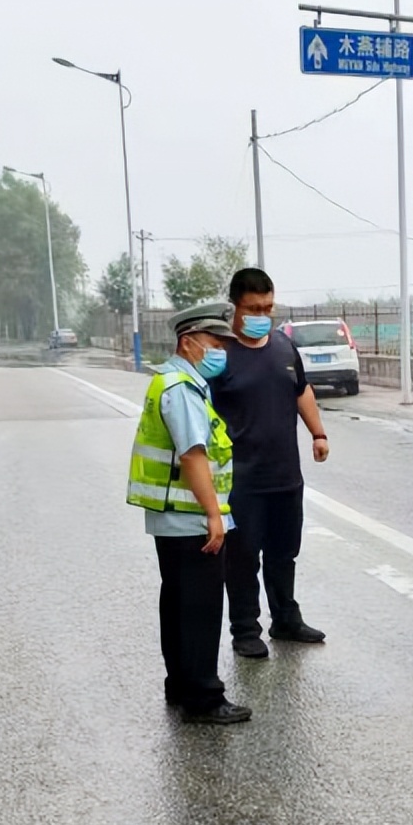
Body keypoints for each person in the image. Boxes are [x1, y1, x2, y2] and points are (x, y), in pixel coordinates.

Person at [126, 302, 251, 725]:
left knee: (179, 603)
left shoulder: (172, 382)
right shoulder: (181, 387)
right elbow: (194, 455)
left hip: (174, 516)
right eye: (216, 343)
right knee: (198, 608)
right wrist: (215, 516)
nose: (222, 352)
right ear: (189, 341)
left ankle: (181, 684)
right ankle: (203, 697)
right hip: (190, 518)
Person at [208, 267, 329, 659]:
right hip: (240, 480)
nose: (262, 314)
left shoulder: (282, 347)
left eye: (268, 307)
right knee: (243, 559)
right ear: (235, 308)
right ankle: (245, 629)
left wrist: (318, 433)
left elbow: (302, 390)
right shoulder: (219, 354)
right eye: (254, 308)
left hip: (284, 476)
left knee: (283, 552)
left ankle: (286, 619)